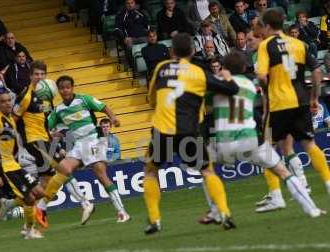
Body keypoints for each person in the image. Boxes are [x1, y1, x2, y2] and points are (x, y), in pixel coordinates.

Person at [206, 51, 323, 219]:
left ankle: (216, 211)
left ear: (224, 67)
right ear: (244, 67)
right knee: (284, 172)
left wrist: (217, 78)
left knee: (206, 170)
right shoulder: (249, 85)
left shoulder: (218, 84)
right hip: (250, 140)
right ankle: (311, 208)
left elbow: (207, 99)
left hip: (225, 143)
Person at [143, 33, 239, 235]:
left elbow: (151, 98)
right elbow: (231, 89)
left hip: (163, 130)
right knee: (207, 171)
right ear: (193, 51)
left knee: (151, 171)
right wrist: (228, 77)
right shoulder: (199, 72)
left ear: (172, 52)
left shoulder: (161, 68)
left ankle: (154, 220)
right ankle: (225, 213)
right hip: (189, 130)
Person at [256, 10, 330, 208]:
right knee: (309, 145)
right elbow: (316, 71)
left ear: (268, 26)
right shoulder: (298, 44)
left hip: (279, 103)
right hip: (301, 100)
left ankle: (276, 195)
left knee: (267, 149)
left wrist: (268, 88)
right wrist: (314, 97)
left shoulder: (266, 45)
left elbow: (262, 76)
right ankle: (326, 183)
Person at [13, 61, 94, 228]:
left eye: (42, 74)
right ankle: (85, 203)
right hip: (34, 141)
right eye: (36, 74)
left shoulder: (45, 96)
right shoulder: (26, 96)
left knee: (46, 180)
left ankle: (17, 208)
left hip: (45, 138)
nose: (40, 77)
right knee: (64, 169)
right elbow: (14, 119)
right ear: (30, 76)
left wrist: (50, 134)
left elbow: (42, 120)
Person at [45, 75, 131, 223]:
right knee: (63, 171)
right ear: (58, 90)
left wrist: (113, 118)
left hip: (93, 141)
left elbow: (104, 107)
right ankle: (86, 203)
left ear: (72, 88)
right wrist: (53, 134)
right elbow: (46, 127)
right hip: (78, 145)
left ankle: (122, 212)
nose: (65, 90)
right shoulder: (58, 110)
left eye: (67, 87)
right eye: (61, 88)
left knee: (101, 176)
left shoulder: (84, 99)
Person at [0, 92, 45, 239]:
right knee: (30, 198)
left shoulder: (11, 120)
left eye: (9, 100)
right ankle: (29, 230)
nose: (8, 103)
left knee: (39, 192)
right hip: (7, 168)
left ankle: (8, 204)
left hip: (16, 165)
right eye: (3, 101)